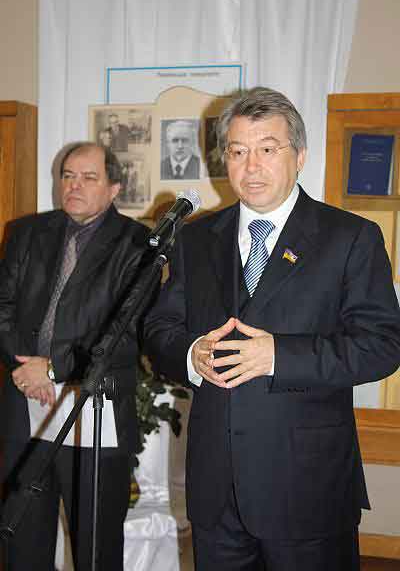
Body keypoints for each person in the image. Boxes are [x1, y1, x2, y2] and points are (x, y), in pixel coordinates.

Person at [144, 87, 400, 571]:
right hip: (217, 491)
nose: (251, 166)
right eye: (238, 151)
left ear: (299, 156)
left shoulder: (351, 237)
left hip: (307, 489)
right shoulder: (195, 239)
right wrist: (191, 353)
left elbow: (382, 345)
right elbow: (159, 328)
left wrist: (279, 357)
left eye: (267, 148)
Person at [0, 143, 149, 570]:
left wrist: (52, 369)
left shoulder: (138, 244)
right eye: (67, 176)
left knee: (95, 549)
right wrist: (27, 369)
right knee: (23, 542)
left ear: (114, 188)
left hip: (94, 413)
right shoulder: (27, 232)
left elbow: (125, 332)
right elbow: (3, 307)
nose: (73, 186)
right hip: (25, 407)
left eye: (88, 178)